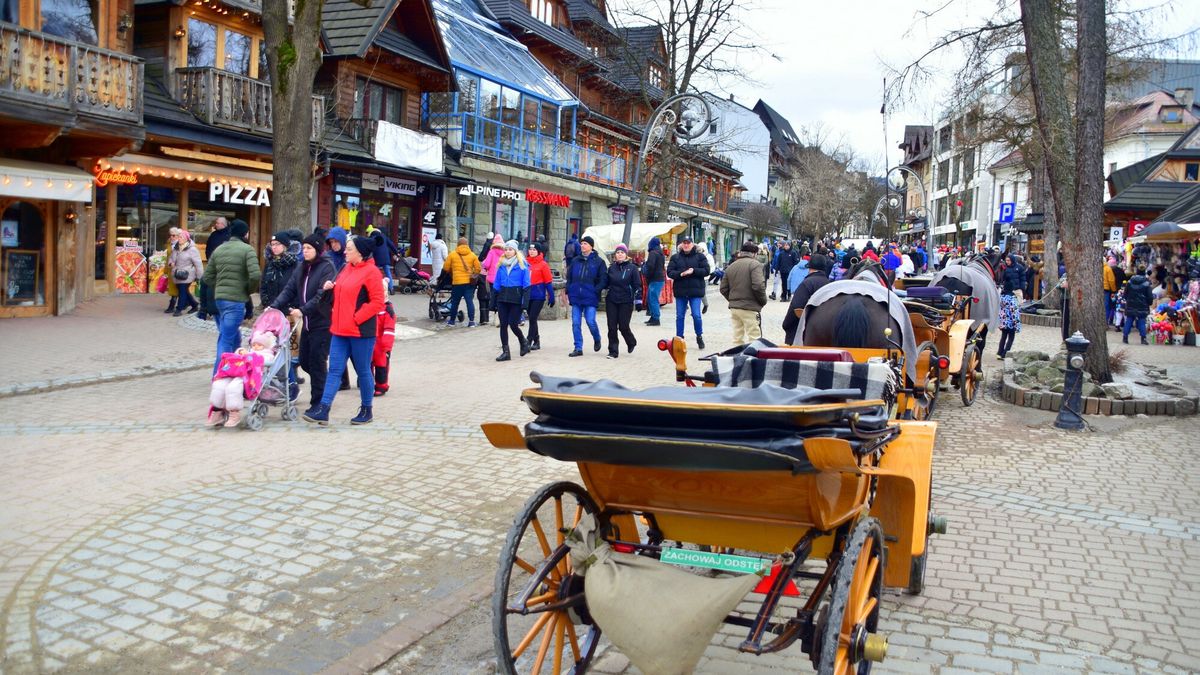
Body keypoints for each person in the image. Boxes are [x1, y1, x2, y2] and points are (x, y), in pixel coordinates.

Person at [303, 236, 385, 425]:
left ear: (360, 253)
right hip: (339, 330)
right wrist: (329, 288)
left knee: (363, 371)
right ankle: (323, 409)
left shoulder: (372, 272)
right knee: (334, 371)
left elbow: (377, 302)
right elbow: (340, 295)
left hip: (360, 331)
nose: (345, 252)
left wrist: (356, 318)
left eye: (349, 249)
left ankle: (366, 409)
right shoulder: (345, 268)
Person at [270, 233, 336, 410]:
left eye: (309, 248)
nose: (305, 251)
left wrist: (302, 310)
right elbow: (289, 289)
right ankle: (327, 384)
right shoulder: (301, 267)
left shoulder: (327, 268)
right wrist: (273, 307)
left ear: (318, 250)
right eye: (304, 248)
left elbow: (321, 295)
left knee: (316, 363)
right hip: (307, 324)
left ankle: (318, 403)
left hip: (322, 323)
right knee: (305, 361)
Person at [201, 219, 261, 374]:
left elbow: (206, 277)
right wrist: (247, 290)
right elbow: (255, 275)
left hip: (220, 300)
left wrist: (220, 286)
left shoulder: (219, 250)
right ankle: (219, 375)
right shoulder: (247, 250)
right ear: (245, 233)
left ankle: (239, 369)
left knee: (234, 337)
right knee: (226, 338)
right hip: (235, 301)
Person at [208, 330, 277, 428]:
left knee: (233, 387)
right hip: (237, 373)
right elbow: (240, 357)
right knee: (219, 385)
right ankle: (217, 410)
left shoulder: (267, 355)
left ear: (265, 346)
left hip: (250, 378)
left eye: (259, 345)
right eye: (254, 345)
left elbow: (262, 361)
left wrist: (249, 356)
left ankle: (234, 413)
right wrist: (240, 352)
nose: (256, 347)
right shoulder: (250, 352)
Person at [565, 235, 607, 356]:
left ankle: (597, 338)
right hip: (576, 296)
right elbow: (570, 277)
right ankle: (578, 347)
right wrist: (569, 289)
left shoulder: (599, 262)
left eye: (585, 244)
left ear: (591, 246)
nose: (582, 246)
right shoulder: (575, 260)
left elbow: (603, 279)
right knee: (576, 323)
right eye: (582, 243)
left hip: (590, 296)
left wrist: (596, 290)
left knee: (590, 321)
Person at [490, 240, 531, 361]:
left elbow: (527, 285)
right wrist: (493, 302)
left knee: (513, 324)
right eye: (506, 249)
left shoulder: (522, 265)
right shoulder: (501, 265)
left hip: (516, 298)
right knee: (503, 325)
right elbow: (496, 284)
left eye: (510, 249)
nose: (508, 252)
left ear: (515, 251)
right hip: (502, 297)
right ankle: (505, 352)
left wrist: (525, 303)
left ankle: (523, 341)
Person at [667, 234, 710, 349]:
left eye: (688, 243)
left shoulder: (700, 256)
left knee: (696, 315)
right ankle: (679, 338)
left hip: (695, 291)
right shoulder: (675, 257)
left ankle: (699, 336)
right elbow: (670, 272)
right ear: (681, 245)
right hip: (681, 291)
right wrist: (680, 274)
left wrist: (693, 271)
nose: (686, 245)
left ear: (692, 244)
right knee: (680, 316)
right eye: (684, 243)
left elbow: (707, 270)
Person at [720, 241, 767, 345]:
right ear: (754, 254)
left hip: (735, 307)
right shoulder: (755, 265)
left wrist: (733, 299)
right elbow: (758, 285)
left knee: (737, 337)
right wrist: (762, 301)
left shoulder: (731, 266)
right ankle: (753, 360)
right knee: (754, 338)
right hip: (750, 307)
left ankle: (737, 358)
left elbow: (723, 288)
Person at [783, 253, 834, 344]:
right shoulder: (829, 284)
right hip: (825, 331)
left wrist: (786, 324)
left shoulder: (807, 283)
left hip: (804, 333)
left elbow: (796, 307)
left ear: (809, 266)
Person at [605, 243, 641, 358]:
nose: (620, 254)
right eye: (618, 252)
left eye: (622, 252)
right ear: (615, 255)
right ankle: (613, 351)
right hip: (612, 299)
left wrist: (638, 301)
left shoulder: (632, 268)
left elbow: (637, 285)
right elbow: (606, 283)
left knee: (623, 326)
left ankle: (631, 342)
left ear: (626, 255)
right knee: (611, 327)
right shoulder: (611, 268)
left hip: (626, 300)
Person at [443, 237, 482, 327]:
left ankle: (452, 321)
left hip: (457, 283)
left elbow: (445, 268)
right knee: (469, 302)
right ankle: (471, 321)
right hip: (469, 283)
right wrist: (473, 274)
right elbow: (478, 268)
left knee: (455, 302)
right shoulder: (472, 255)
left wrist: (452, 271)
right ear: (467, 244)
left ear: (458, 244)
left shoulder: (452, 254)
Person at [197, 217, 231, 320]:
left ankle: (213, 309)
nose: (216, 225)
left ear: (223, 224)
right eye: (216, 223)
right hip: (212, 264)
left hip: (223, 266)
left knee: (214, 288)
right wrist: (209, 259)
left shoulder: (229, 235)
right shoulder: (214, 235)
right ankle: (204, 309)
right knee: (205, 284)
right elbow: (208, 248)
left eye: (218, 223)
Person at [526, 242, 554, 350]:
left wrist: (551, 296)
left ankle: (528, 340)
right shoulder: (525, 263)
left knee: (532, 317)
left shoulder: (543, 264)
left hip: (538, 295)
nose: (531, 252)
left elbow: (548, 281)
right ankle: (536, 341)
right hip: (528, 294)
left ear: (538, 252)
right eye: (530, 249)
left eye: (534, 250)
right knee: (532, 319)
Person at [260, 232, 298, 309]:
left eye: (277, 244)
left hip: (289, 309)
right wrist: (266, 302)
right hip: (271, 308)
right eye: (272, 244)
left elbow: (298, 287)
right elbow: (263, 284)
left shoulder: (295, 264)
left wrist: (293, 306)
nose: (274, 247)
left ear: (285, 245)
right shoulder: (270, 264)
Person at [170, 230, 203, 316]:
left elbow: (198, 263)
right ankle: (194, 305)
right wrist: (171, 263)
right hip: (177, 273)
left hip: (187, 274)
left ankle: (179, 309)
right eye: (178, 237)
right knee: (184, 291)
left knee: (182, 291)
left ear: (186, 239)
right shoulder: (176, 248)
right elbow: (171, 258)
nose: (179, 239)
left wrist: (199, 276)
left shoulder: (192, 249)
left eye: (181, 237)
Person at [997, 254, 1025, 358]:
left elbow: (1022, 278)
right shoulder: (1012, 301)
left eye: (1009, 260)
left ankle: (999, 353)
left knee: (1003, 336)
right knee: (1010, 337)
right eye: (1006, 260)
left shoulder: (1019, 268)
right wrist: (1017, 324)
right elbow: (1014, 312)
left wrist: (1021, 288)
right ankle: (1005, 353)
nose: (1007, 262)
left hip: (1004, 321)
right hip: (1011, 323)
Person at [372, 280, 397, 395]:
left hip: (381, 345)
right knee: (367, 365)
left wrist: (386, 346)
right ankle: (367, 383)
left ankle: (381, 386)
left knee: (381, 365)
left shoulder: (387, 310)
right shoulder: (371, 305)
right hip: (370, 341)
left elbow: (389, 329)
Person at [1123, 265, 1153, 345]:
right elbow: (1149, 296)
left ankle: (1125, 337)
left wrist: (1128, 300)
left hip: (1131, 304)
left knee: (1129, 320)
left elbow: (1125, 294)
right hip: (1142, 305)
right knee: (1141, 321)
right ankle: (1143, 338)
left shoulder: (1130, 282)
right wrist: (1149, 303)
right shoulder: (1147, 283)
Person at [479, 234, 504, 325]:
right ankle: (500, 317)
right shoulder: (505, 252)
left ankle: (495, 317)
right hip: (502, 279)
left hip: (492, 279)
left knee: (494, 297)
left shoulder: (492, 251)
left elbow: (487, 264)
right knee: (501, 297)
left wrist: (484, 263)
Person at [643, 237, 666, 326]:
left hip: (655, 279)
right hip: (659, 278)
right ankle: (653, 317)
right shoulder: (660, 253)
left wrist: (647, 274)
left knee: (653, 299)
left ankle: (656, 318)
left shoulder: (653, 253)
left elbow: (650, 266)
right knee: (651, 298)